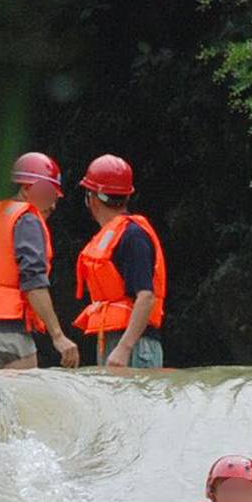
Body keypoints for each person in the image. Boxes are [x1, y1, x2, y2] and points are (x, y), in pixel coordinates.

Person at [0, 153, 81, 373]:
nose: (52, 206)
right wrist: (58, 336)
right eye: (50, 196)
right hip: (9, 334)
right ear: (29, 189)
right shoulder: (26, 218)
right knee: (21, 405)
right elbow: (33, 281)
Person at [71, 154, 166, 370]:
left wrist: (124, 348)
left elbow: (146, 296)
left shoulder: (133, 236)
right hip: (115, 341)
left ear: (92, 198)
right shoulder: (114, 236)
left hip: (134, 346)